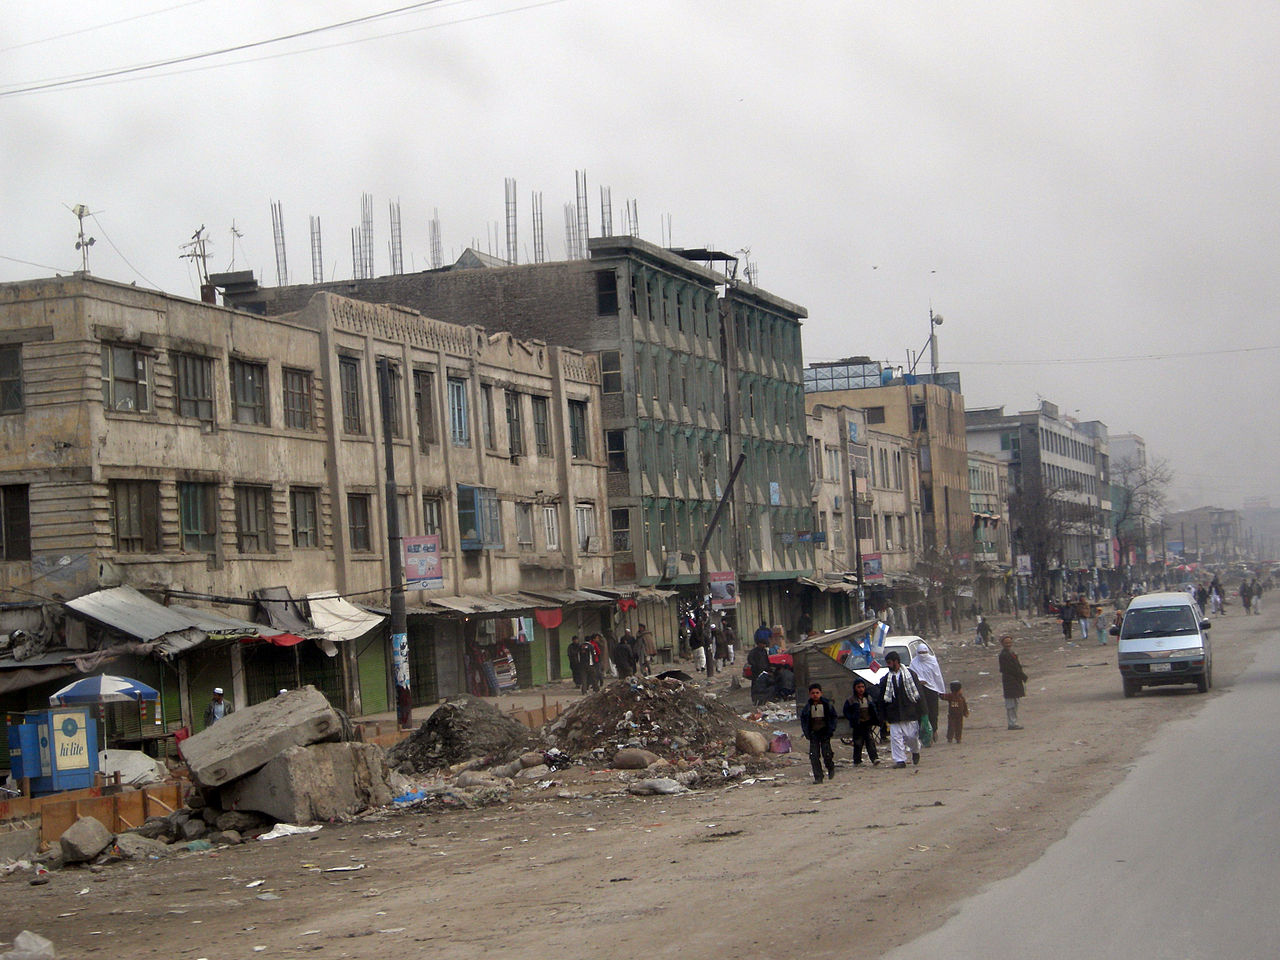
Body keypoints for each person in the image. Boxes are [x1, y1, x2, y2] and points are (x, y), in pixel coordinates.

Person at [877, 650, 924, 768]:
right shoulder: (885, 679)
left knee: (911, 737)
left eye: (889, 662)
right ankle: (900, 761)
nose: (888, 665)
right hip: (894, 715)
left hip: (909, 713)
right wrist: (882, 716)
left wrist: (923, 713)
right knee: (896, 738)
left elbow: (919, 695)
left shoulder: (911, 675)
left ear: (896, 662)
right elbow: (882, 699)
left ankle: (915, 751)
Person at [799, 683, 837, 783]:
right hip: (813, 734)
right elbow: (804, 720)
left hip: (825, 733)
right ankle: (818, 777)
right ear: (809, 694)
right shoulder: (807, 707)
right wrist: (807, 732)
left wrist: (831, 729)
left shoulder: (827, 705)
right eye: (813, 693)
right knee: (814, 756)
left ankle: (830, 767)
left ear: (821, 693)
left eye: (817, 693)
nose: (815, 695)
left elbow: (833, 717)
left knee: (827, 754)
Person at [909, 641, 945, 746]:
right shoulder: (914, 663)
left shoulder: (933, 661)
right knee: (922, 713)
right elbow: (912, 676)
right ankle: (924, 735)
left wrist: (941, 690)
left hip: (932, 690)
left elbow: (937, 676)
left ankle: (933, 730)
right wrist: (919, 681)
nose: (922, 655)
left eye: (924, 653)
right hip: (920, 690)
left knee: (933, 712)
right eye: (920, 653)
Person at [841, 678, 882, 766]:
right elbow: (846, 711)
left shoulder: (868, 698)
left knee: (870, 741)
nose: (861, 689)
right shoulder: (851, 700)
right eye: (858, 687)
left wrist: (875, 719)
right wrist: (852, 718)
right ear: (854, 688)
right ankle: (857, 761)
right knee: (858, 743)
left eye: (862, 687)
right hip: (858, 724)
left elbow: (873, 709)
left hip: (867, 723)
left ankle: (874, 758)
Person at [998, 634, 1028, 730]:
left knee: (1014, 702)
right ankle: (1012, 723)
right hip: (1010, 681)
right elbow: (1011, 669)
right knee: (1011, 704)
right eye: (1006, 643)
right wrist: (1022, 676)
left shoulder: (1011, 653)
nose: (1008, 644)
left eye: (1009, 642)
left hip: (1014, 680)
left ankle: (1013, 722)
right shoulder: (1004, 655)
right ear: (1002, 644)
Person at [940, 679, 969, 743]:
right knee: (952, 727)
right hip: (952, 716)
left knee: (958, 727)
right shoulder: (951, 696)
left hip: (959, 715)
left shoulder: (961, 697)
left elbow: (964, 706)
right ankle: (950, 738)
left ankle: (958, 738)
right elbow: (943, 696)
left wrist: (965, 712)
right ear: (959, 690)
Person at [747, 637, 773, 706]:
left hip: (764, 671)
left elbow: (767, 660)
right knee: (755, 685)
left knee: (763, 686)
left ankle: (763, 699)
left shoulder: (764, 651)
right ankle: (754, 699)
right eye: (763, 644)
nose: (764, 645)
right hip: (756, 672)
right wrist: (756, 666)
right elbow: (750, 660)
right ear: (759, 644)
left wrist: (768, 669)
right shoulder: (753, 652)